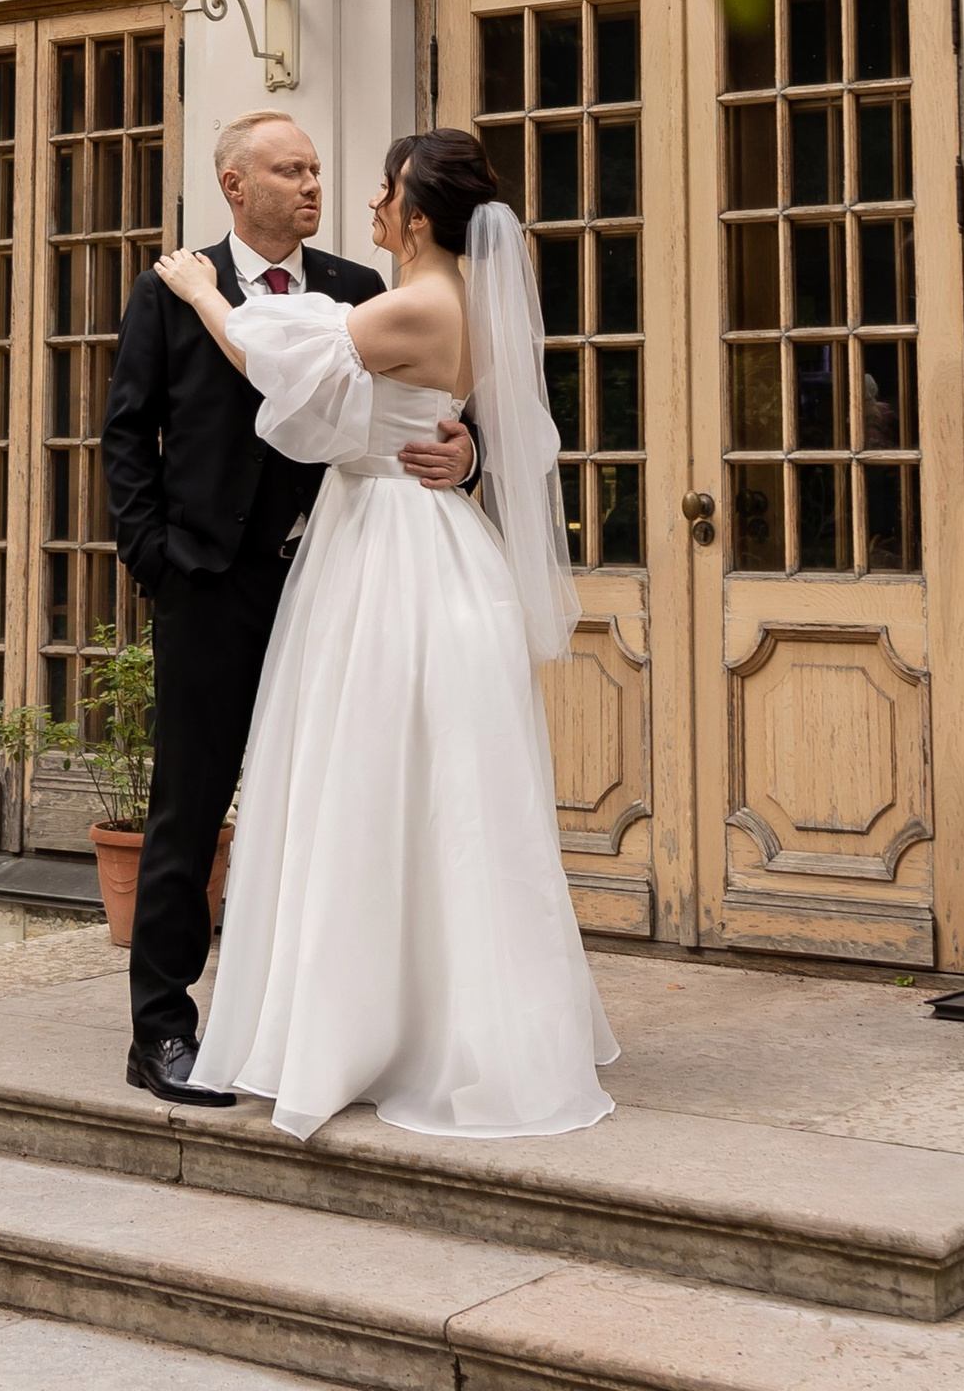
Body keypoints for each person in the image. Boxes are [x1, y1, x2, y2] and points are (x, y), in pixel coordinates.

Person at [152, 126, 616, 1142]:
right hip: (440, 544)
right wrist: (463, 446)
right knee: (446, 793)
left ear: (415, 213)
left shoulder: (407, 301)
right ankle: (442, 1020)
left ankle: (367, 1027)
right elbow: (498, 425)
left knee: (363, 782)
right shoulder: (473, 310)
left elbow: (263, 353)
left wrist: (201, 292)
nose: (362, 204)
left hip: (385, 549)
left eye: (379, 190)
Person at [102, 110, 475, 1107]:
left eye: (317, 167)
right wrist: (159, 563)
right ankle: (161, 1029)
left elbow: (444, 402)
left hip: (343, 581)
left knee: (325, 805)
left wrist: (466, 453)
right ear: (235, 184)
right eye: (290, 169)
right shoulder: (170, 290)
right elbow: (127, 434)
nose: (313, 185)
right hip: (213, 585)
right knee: (189, 805)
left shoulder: (363, 288)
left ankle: (299, 1024)